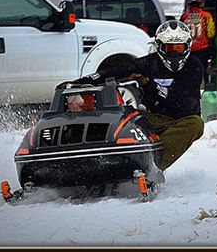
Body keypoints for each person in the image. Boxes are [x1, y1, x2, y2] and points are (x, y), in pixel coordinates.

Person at [71, 20, 204, 171]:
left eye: (179, 48)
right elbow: (118, 70)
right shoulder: (150, 62)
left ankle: (152, 166)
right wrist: (83, 81)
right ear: (160, 47)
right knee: (120, 120)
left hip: (182, 120)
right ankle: (100, 163)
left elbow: (179, 97)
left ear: (187, 47)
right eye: (169, 48)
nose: (174, 53)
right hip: (151, 117)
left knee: (196, 124)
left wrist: (147, 84)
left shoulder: (194, 66)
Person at [180, 0, 216, 85]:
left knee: (189, 73)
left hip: (189, 51)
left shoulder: (184, 16)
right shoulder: (206, 16)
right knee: (203, 71)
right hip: (202, 50)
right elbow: (211, 34)